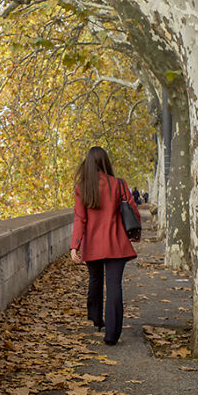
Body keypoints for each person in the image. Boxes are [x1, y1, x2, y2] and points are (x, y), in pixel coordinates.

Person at [69, 146, 141, 346]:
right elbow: (132, 209)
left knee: (95, 279)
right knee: (114, 286)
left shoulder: (82, 187)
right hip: (116, 244)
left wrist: (75, 245)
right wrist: (136, 232)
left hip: (92, 244)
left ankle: (95, 319)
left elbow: (80, 219)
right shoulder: (118, 184)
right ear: (105, 162)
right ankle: (112, 334)